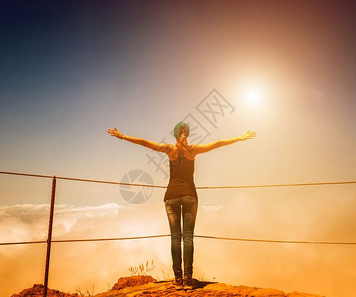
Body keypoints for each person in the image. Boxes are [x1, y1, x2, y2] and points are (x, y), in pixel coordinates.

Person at [107, 122, 256, 290]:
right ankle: (187, 278)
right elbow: (218, 143)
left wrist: (123, 136)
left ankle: (178, 280)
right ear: (184, 135)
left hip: (171, 197)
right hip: (190, 196)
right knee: (188, 238)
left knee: (176, 238)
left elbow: (145, 142)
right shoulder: (193, 150)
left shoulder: (170, 149)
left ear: (176, 135)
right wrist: (239, 138)